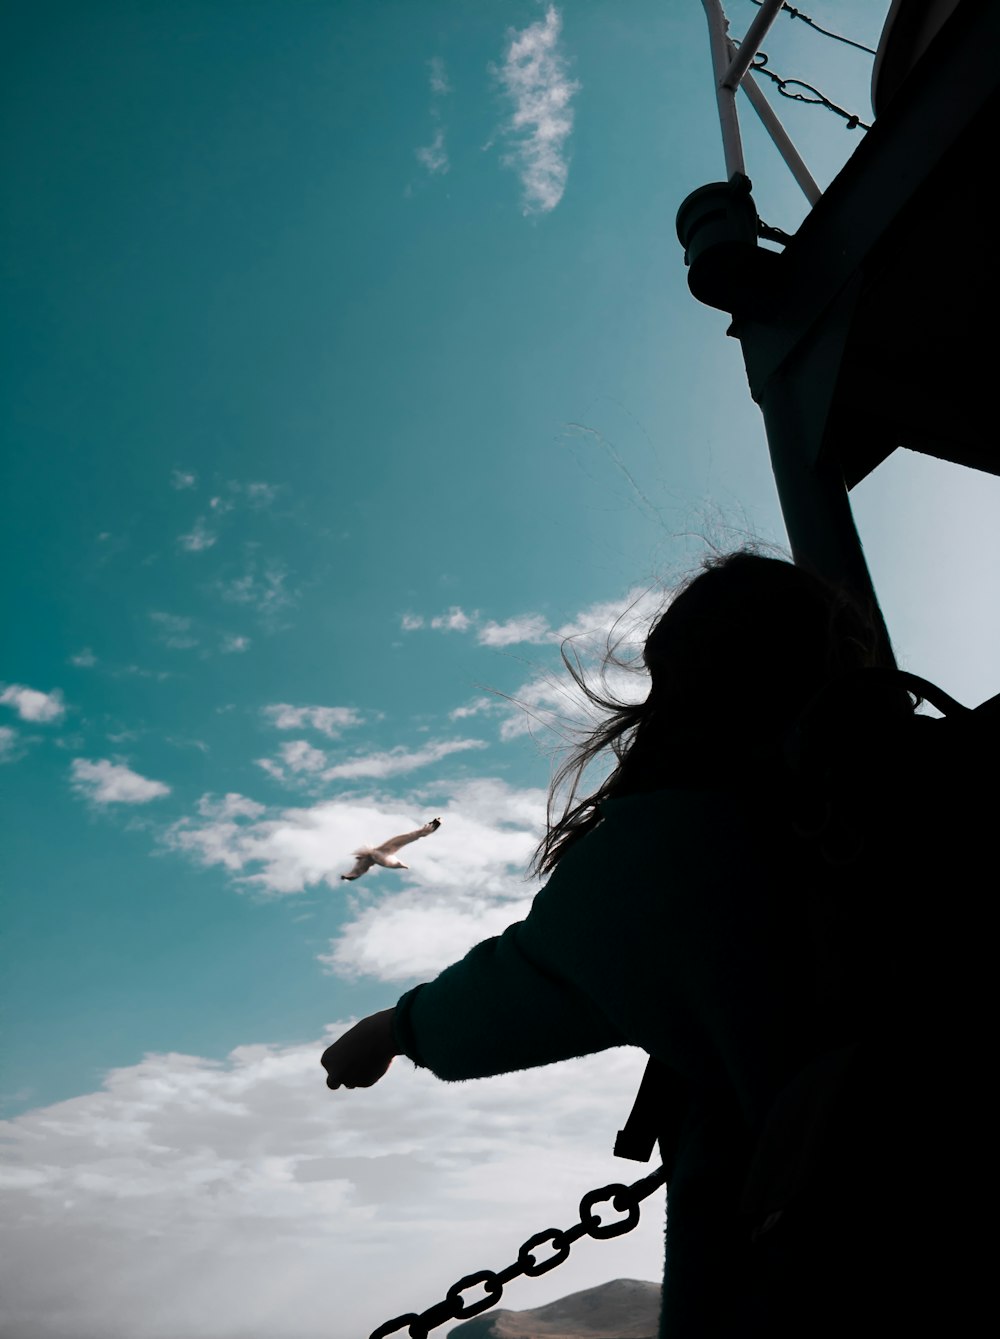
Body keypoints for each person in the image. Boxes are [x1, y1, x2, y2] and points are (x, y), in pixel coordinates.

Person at [321, 550, 913, 1338]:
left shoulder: (681, 840)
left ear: (686, 686)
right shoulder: (924, 791)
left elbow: (526, 983)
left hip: (812, 1264)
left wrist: (393, 1029)